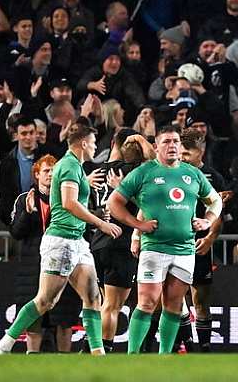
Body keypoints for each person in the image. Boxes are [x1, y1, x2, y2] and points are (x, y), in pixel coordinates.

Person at [0, 125, 122, 355]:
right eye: (92, 142)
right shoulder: (70, 165)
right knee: (45, 301)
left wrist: (97, 215)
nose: (94, 146)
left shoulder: (76, 167)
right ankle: (4, 344)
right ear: (83, 143)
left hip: (77, 241)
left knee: (92, 297)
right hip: (61, 240)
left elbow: (74, 205)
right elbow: (69, 203)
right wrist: (101, 223)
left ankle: (98, 354)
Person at [108, 125, 222, 354]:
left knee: (173, 305)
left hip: (184, 249)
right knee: (147, 302)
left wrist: (207, 221)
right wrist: (138, 226)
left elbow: (215, 201)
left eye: (175, 142)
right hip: (154, 248)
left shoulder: (193, 173)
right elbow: (114, 202)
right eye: (166, 142)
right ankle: (132, 356)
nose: (172, 146)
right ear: (156, 146)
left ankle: (164, 356)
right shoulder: (144, 172)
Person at [87, 129, 154, 353]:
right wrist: (143, 141)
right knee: (112, 306)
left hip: (97, 243)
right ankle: (103, 351)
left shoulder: (98, 171)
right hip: (120, 243)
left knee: (104, 303)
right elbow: (154, 161)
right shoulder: (136, 173)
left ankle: (94, 347)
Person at [8, 154, 81, 353]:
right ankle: (32, 359)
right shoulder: (25, 199)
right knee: (34, 322)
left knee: (65, 322)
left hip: (63, 263)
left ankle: (65, 363)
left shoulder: (68, 198)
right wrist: (27, 213)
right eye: (46, 171)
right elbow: (15, 232)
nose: (50, 174)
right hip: (33, 266)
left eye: (54, 171)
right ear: (37, 174)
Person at [180, 128, 226, 352]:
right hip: (174, 244)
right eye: (181, 153)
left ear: (202, 151)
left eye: (188, 154)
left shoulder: (213, 178)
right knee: (175, 298)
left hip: (199, 245)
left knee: (200, 301)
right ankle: (187, 344)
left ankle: (205, 348)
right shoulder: (172, 172)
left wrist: (210, 238)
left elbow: (217, 212)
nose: (183, 158)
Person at [0, 118, 42, 225]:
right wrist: (12, 221)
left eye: (31, 133)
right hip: (17, 221)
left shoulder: (47, 156)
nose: (28, 137)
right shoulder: (6, 164)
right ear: (16, 136)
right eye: (23, 133)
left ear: (36, 134)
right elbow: (5, 197)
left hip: (42, 219)